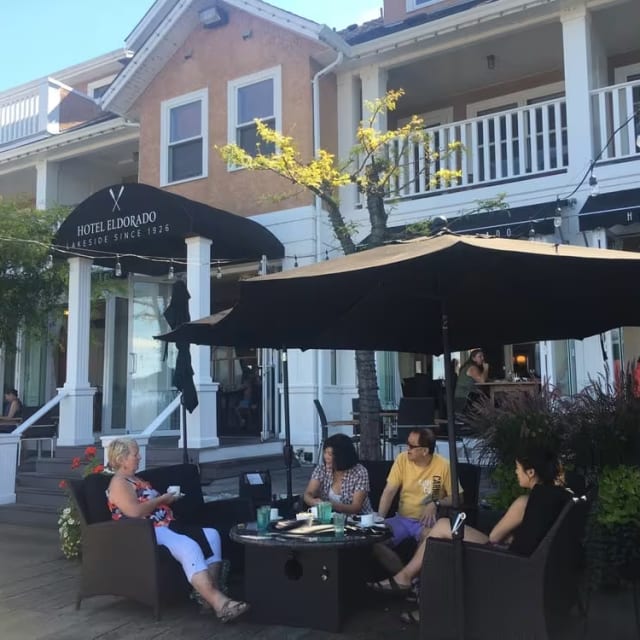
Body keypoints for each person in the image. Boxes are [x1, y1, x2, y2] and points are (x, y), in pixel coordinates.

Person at [371, 444, 571, 625]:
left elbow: (494, 538)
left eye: (518, 469)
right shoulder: (554, 496)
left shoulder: (524, 502)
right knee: (440, 534)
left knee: (441, 536)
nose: (515, 472)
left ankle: (410, 584)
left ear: (531, 472)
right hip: (524, 561)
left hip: (506, 562)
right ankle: (409, 583)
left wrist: (508, 536)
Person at [105, 437, 249, 623]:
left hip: (166, 525)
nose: (139, 457)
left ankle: (206, 599)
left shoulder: (136, 480)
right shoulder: (119, 483)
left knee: (212, 535)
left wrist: (167, 500)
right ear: (122, 459)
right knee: (189, 547)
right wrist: (162, 500)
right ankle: (220, 603)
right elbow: (134, 511)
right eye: (135, 454)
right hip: (145, 531)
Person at [372, 428, 460, 575]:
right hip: (402, 519)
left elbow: (457, 498)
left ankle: (413, 584)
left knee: (429, 543)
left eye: (412, 446)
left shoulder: (444, 465)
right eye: (407, 444)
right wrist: (380, 519)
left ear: (425, 451)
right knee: (373, 542)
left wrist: (436, 503)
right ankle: (406, 580)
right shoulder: (402, 459)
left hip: (428, 523)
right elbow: (389, 492)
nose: (407, 449)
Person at [304, 433, 373, 514]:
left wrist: (330, 505)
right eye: (325, 452)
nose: (326, 457)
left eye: (330, 454)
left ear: (342, 456)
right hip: (329, 518)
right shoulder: (321, 469)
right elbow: (308, 493)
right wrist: (313, 501)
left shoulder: (360, 472)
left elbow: (356, 507)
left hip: (359, 520)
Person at [454, 349, 489, 413]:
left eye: (483, 356)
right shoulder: (472, 368)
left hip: (461, 397)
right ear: (473, 358)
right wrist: (486, 369)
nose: (483, 358)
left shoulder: (468, 366)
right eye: (480, 356)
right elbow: (482, 381)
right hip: (466, 398)